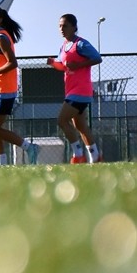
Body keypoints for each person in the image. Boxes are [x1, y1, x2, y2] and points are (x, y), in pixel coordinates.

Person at [0, 5, 39, 165]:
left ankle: (29, 147)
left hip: (4, 91)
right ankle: (2, 164)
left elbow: (12, 63)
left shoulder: (2, 38)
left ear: (0, 19)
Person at [46, 14, 103, 163]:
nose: (61, 29)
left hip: (81, 91)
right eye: (60, 26)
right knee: (80, 125)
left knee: (62, 120)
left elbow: (97, 58)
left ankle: (78, 155)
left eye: (65, 25)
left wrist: (78, 65)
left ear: (74, 27)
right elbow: (64, 67)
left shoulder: (81, 44)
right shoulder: (64, 46)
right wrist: (53, 63)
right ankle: (95, 156)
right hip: (71, 90)